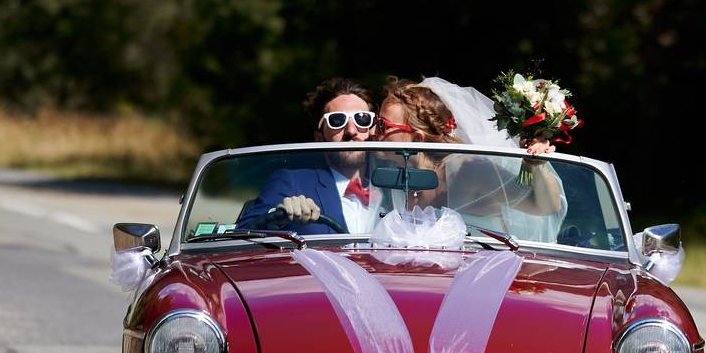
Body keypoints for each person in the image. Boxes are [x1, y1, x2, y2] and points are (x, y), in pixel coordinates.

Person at [376, 78, 567, 243]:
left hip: (480, 275)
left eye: (382, 125)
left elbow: (546, 207)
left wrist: (536, 164)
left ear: (417, 138)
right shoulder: (394, 176)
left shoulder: (468, 169)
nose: (373, 131)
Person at [235, 77, 380, 234]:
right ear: (319, 137)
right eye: (337, 120)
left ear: (373, 130)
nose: (351, 131)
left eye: (362, 119)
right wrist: (279, 217)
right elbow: (242, 234)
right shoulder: (292, 183)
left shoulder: (395, 189)